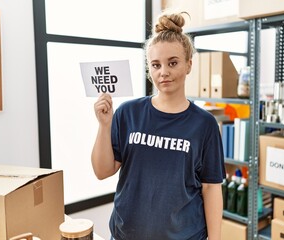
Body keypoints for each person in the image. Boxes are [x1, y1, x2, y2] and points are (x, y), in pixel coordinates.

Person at [91, 10, 226, 240]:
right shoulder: (128, 113)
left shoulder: (205, 124)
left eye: (172, 63)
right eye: (155, 65)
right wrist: (104, 126)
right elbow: (102, 171)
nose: (164, 72)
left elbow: (211, 188)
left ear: (188, 64)